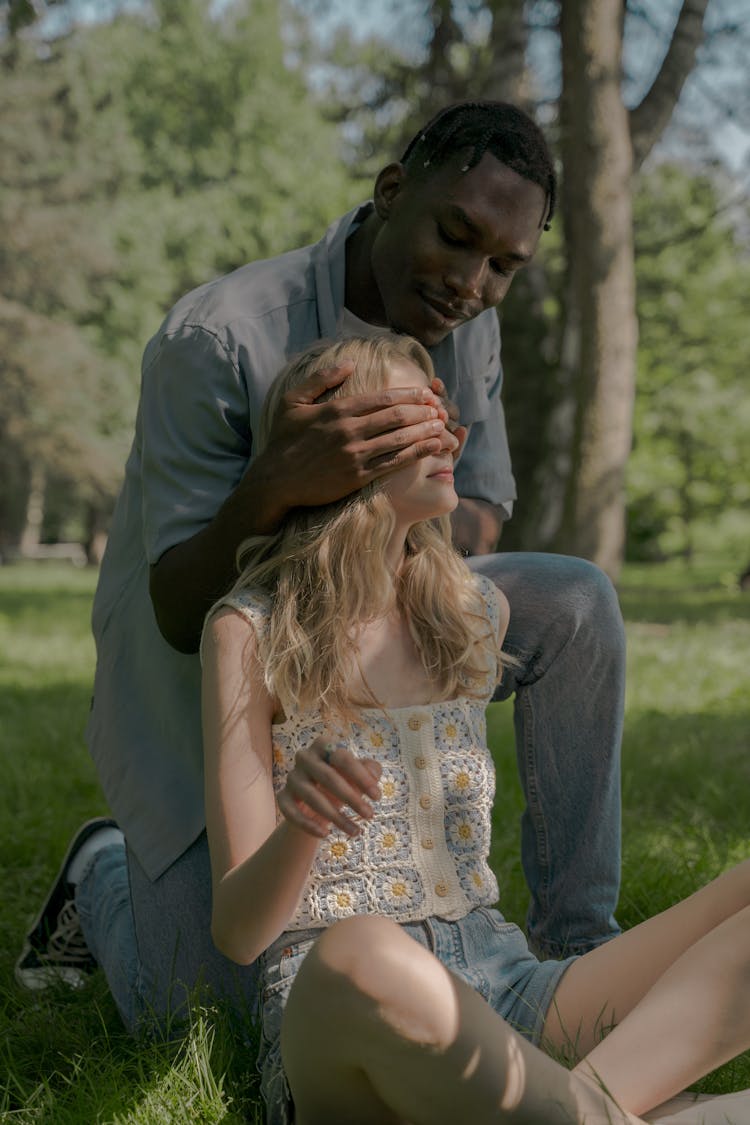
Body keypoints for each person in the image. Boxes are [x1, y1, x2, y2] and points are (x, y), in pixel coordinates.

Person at [17, 101, 625, 1034]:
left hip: (370, 609)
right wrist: (280, 480)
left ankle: (579, 946)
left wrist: (392, 555)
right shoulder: (215, 339)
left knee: (576, 600)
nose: (473, 282)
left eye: (505, 265)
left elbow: (476, 512)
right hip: (203, 673)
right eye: (456, 236)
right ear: (391, 193)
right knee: (197, 1018)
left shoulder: (468, 322)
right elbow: (182, 606)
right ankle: (103, 869)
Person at [201, 333, 750, 1125]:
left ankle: (586, 1109)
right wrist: (300, 824)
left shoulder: (470, 613)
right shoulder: (250, 632)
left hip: (507, 983)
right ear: (336, 440)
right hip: (343, 1004)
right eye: (415, 413)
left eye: (445, 413)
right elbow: (239, 931)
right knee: (362, 948)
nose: (451, 435)